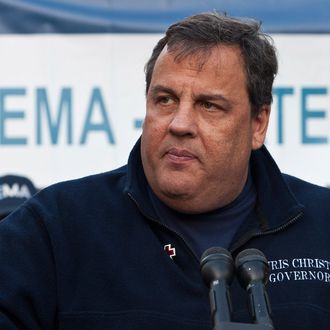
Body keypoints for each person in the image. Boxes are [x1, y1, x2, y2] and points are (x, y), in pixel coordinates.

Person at [0, 12, 329, 330]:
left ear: (258, 123)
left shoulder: (322, 226)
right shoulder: (55, 228)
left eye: (209, 105)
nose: (180, 124)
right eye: (165, 100)